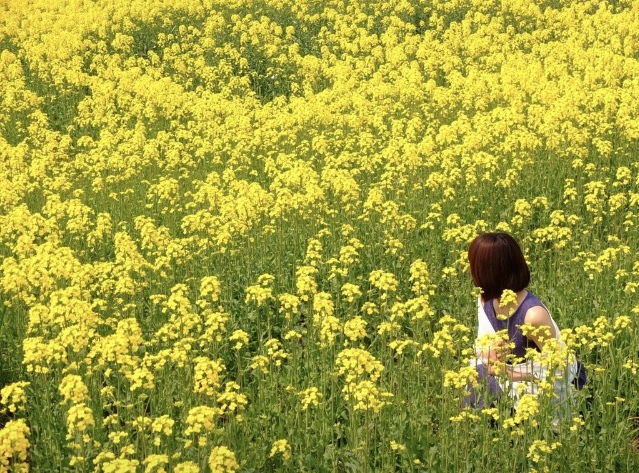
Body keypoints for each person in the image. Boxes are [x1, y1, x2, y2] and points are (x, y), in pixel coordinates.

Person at [464, 232, 583, 422]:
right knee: (472, 377)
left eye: (474, 266)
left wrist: (510, 373)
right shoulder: (486, 298)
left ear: (488, 272)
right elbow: (482, 345)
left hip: (540, 387)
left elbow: (561, 371)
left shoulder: (533, 316)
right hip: (510, 377)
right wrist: (490, 353)